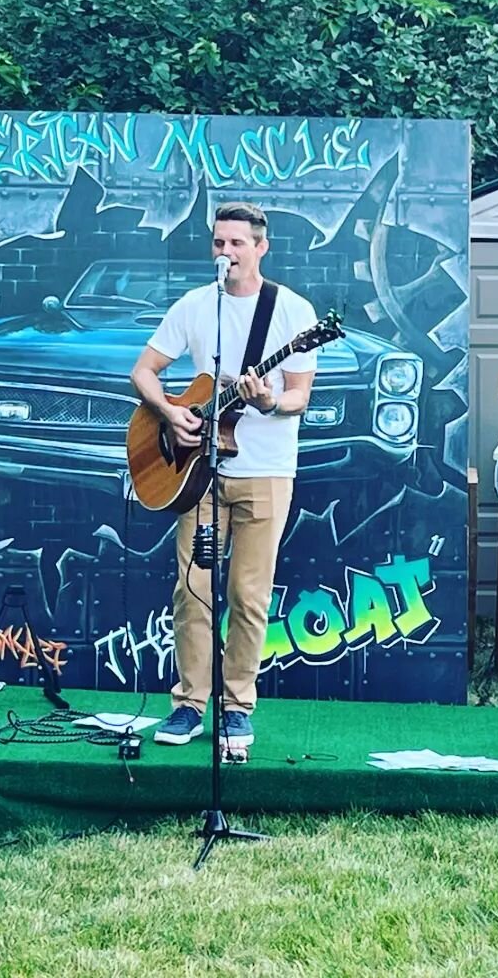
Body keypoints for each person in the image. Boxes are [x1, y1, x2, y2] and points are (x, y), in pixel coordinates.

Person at [130, 201, 319, 750]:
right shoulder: (194, 306)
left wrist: (268, 401)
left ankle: (236, 707)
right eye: (219, 242)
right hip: (199, 473)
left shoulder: (292, 311)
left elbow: (300, 397)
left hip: (265, 472)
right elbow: (144, 370)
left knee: (249, 593)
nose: (226, 252)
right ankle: (189, 704)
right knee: (193, 590)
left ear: (261, 247)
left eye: (237, 243)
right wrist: (169, 411)